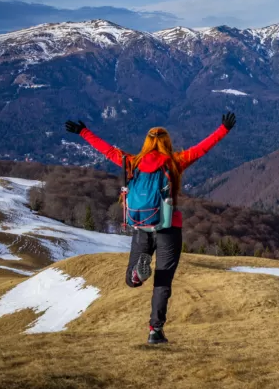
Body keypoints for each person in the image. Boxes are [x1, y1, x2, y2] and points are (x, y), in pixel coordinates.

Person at [64, 112, 236, 344]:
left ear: (146, 142)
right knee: (162, 281)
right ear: (167, 143)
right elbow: (201, 149)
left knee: (130, 277)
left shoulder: (132, 162)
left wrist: (83, 132)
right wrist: (223, 129)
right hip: (168, 227)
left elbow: (107, 150)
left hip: (141, 226)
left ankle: (136, 276)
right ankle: (155, 330)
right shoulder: (174, 162)